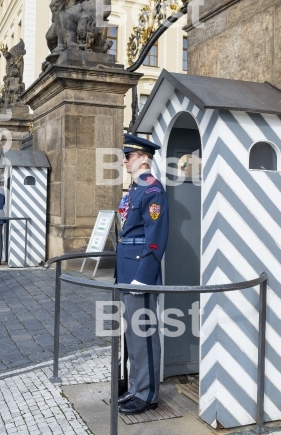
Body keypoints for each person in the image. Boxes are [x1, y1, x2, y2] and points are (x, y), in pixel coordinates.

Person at [116, 134, 169, 415]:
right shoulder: (135, 189)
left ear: (144, 158)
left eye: (130, 155)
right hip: (127, 268)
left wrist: (144, 276)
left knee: (144, 333)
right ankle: (136, 388)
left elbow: (156, 237)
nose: (125, 160)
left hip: (139, 271)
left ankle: (148, 394)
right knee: (133, 334)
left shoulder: (152, 191)